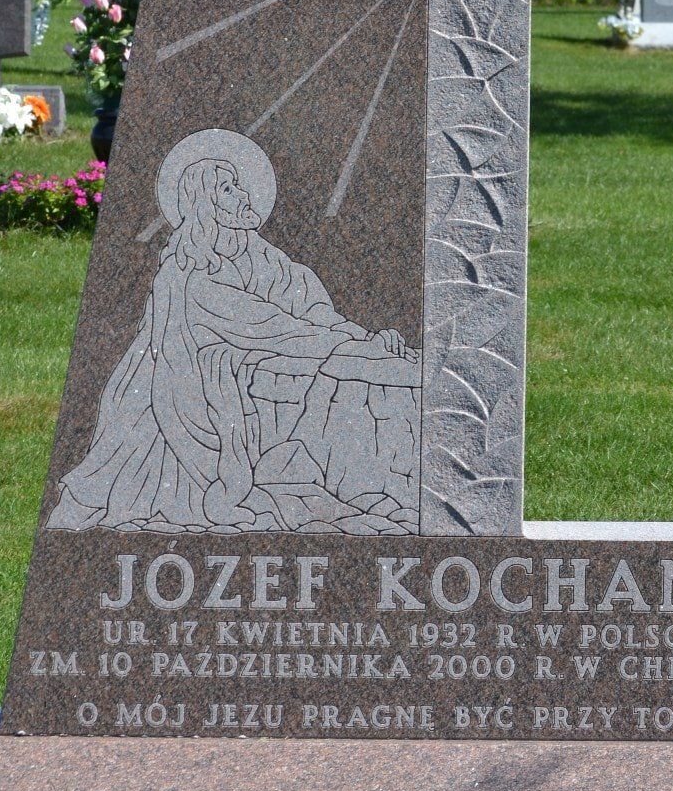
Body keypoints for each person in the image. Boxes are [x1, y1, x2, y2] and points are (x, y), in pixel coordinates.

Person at [49, 130, 418, 533]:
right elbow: (272, 327)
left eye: (239, 186)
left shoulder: (264, 257)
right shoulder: (191, 275)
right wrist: (351, 347)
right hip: (181, 404)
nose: (242, 196)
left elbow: (311, 312)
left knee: (362, 378)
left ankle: (384, 487)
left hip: (264, 375)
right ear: (206, 204)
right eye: (228, 189)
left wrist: (365, 338)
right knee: (348, 377)